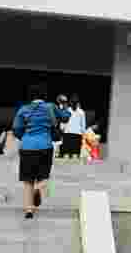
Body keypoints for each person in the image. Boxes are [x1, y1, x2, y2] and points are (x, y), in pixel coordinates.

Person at [12, 84, 71, 219]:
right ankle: (38, 188)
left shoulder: (23, 109)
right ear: (44, 95)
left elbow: (16, 129)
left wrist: (26, 138)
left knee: (27, 180)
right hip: (45, 146)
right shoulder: (50, 107)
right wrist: (64, 104)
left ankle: (29, 210)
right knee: (43, 177)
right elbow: (66, 117)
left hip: (27, 147)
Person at [59, 95, 86, 159]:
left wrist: (83, 133)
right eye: (73, 102)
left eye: (75, 102)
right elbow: (63, 121)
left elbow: (83, 124)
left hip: (77, 134)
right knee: (66, 155)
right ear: (70, 103)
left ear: (77, 103)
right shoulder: (67, 110)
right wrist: (62, 128)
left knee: (75, 155)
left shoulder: (81, 112)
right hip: (67, 133)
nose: (74, 104)